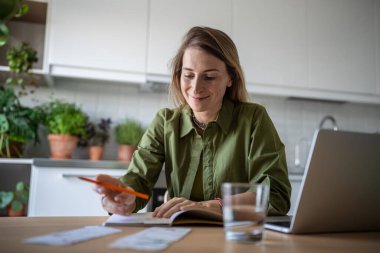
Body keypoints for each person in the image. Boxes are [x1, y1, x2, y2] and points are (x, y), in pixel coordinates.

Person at [94, 26, 291, 218]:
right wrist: (123, 197)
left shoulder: (254, 118)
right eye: (188, 75)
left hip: (237, 237)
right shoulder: (164, 122)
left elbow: (275, 195)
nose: (196, 88)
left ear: (230, 78)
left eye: (210, 77)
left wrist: (210, 206)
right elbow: (138, 180)